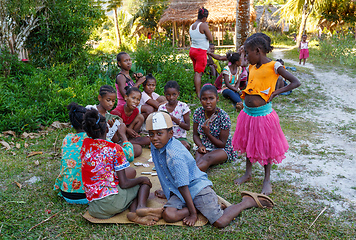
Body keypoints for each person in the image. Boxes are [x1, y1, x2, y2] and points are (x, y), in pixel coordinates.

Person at [147, 111, 275, 227]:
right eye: (151, 134)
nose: (154, 138)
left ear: (170, 133)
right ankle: (199, 207)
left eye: (159, 133)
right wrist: (168, 189)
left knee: (220, 222)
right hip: (180, 189)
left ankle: (247, 201)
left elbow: (184, 185)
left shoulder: (174, 155)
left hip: (196, 187)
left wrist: (192, 214)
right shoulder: (156, 146)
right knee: (169, 215)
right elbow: (164, 171)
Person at [232, 33, 301, 195]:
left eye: (249, 53)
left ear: (258, 51)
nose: (247, 57)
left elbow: (295, 82)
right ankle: (248, 173)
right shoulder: (251, 66)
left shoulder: (274, 66)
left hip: (263, 115)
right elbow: (242, 62)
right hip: (247, 113)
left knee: (266, 147)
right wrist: (242, 51)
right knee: (248, 142)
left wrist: (277, 92)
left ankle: (267, 180)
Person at [80, 109, 162, 224]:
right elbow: (124, 183)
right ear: (107, 129)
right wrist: (141, 179)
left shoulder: (85, 145)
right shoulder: (114, 149)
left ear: (88, 132)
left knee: (129, 189)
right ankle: (141, 208)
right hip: (109, 204)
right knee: (143, 183)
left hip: (94, 207)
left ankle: (133, 213)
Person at [86, 85, 142, 158]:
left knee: (138, 149)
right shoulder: (90, 109)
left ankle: (114, 158)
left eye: (113, 101)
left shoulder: (111, 117)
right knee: (129, 151)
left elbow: (115, 140)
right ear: (100, 98)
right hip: (93, 146)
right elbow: (87, 131)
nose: (111, 104)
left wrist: (111, 128)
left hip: (107, 146)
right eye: (108, 100)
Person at [193, 84, 238, 172]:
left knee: (207, 158)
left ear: (217, 99)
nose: (208, 102)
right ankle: (193, 177)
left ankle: (187, 178)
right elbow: (195, 135)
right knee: (197, 161)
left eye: (211, 98)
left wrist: (207, 133)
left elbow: (222, 144)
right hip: (205, 146)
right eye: (204, 99)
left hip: (222, 149)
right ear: (200, 100)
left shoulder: (223, 116)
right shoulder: (198, 112)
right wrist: (200, 145)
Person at [53, 102, 88, 204]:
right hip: (90, 196)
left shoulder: (67, 139)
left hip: (67, 194)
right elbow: (128, 155)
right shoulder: (93, 139)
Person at [158, 80, 191, 150]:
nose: (171, 97)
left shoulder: (183, 107)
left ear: (178, 94)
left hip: (180, 138)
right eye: (168, 94)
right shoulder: (162, 108)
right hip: (166, 137)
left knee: (185, 146)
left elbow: (188, 127)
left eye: (174, 94)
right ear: (164, 94)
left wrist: (174, 119)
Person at [189, 7, 213, 97]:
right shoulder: (203, 25)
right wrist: (206, 27)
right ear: (204, 18)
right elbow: (211, 39)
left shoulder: (192, 25)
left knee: (196, 72)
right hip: (200, 51)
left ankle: (197, 90)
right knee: (198, 73)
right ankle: (199, 94)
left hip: (193, 50)